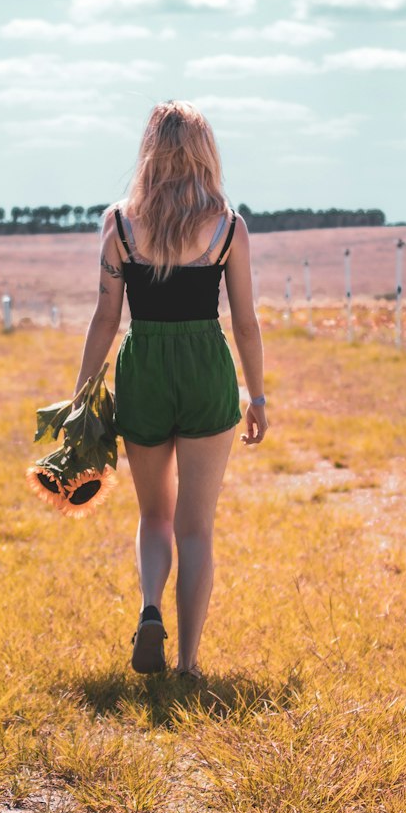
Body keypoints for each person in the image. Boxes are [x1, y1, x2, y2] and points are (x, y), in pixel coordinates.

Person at [73, 101, 269, 679]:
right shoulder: (228, 226)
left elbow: (106, 316)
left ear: (150, 151)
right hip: (206, 370)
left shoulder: (120, 224)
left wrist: (81, 396)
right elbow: (246, 320)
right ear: (205, 153)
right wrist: (256, 397)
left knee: (154, 516)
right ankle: (186, 664)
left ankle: (150, 607)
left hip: (145, 371)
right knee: (196, 526)